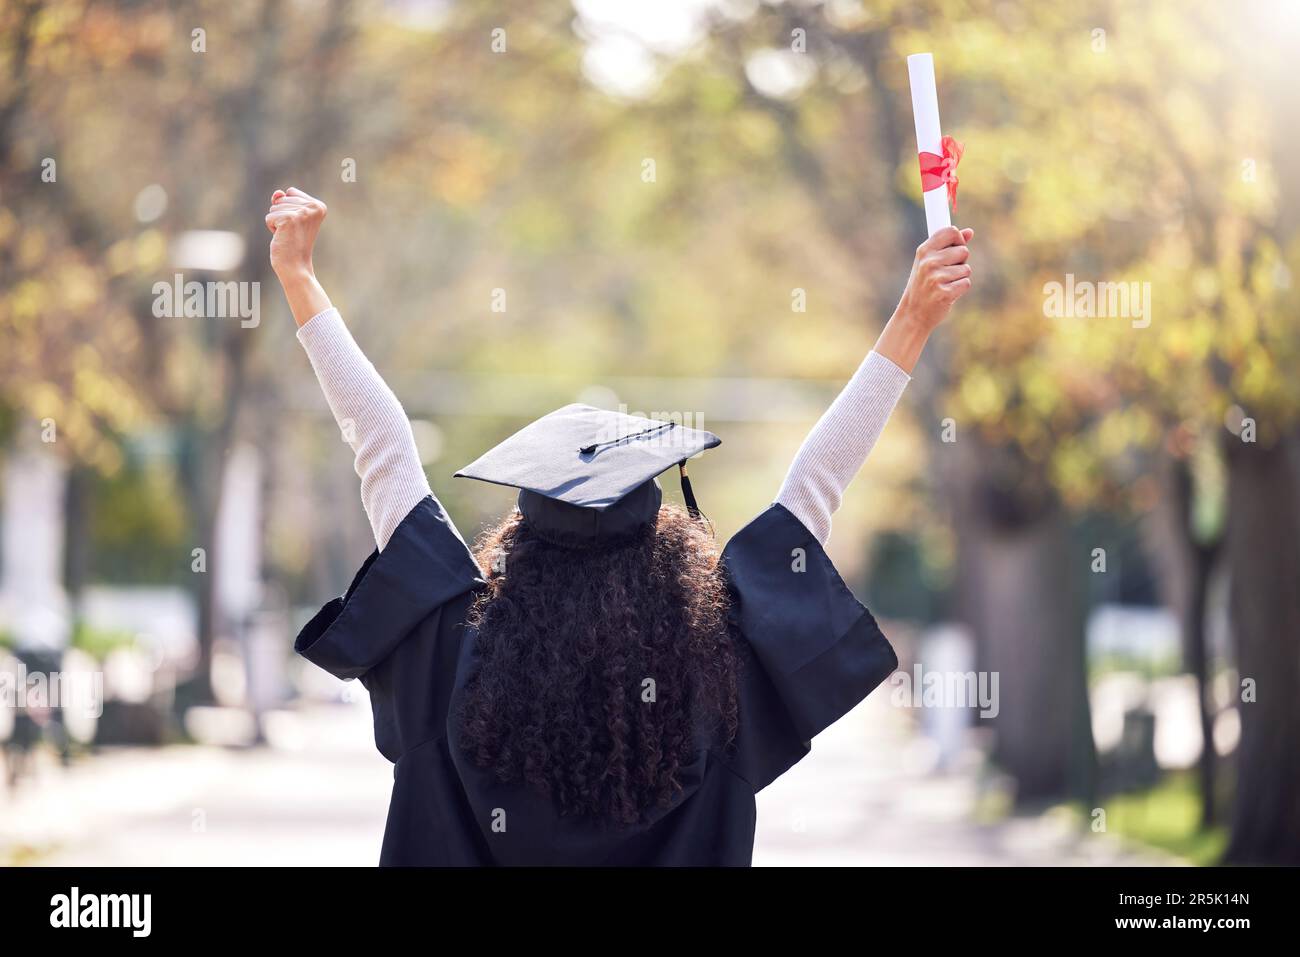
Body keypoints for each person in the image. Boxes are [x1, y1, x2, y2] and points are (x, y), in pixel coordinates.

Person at [267, 187, 974, 865]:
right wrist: (911, 319)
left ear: (521, 535)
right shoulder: (717, 664)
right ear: (662, 540)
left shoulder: (446, 647)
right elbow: (817, 483)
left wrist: (299, 277)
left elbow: (383, 451)